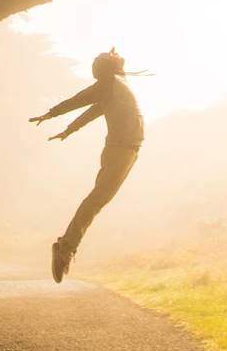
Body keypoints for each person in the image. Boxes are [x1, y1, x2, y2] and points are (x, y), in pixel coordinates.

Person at [29, 47, 144, 282]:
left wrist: (68, 130)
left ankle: (66, 246)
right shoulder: (109, 83)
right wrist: (51, 114)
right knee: (96, 199)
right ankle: (65, 247)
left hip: (128, 150)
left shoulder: (117, 86)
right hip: (120, 149)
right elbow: (79, 100)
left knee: (98, 200)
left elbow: (92, 111)